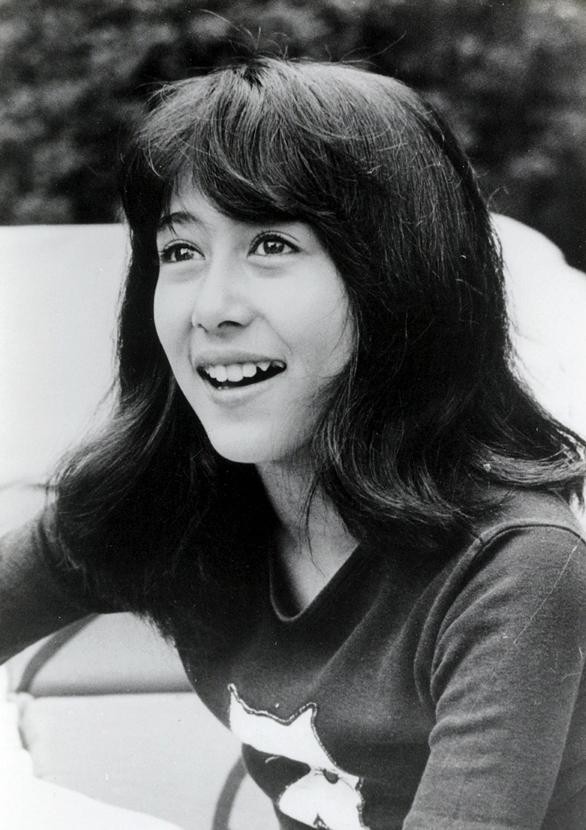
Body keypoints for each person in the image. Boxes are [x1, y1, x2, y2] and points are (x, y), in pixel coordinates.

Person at [1, 56, 586, 829]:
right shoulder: (169, 503)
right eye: (181, 252)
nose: (210, 307)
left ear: (395, 280)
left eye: (272, 245)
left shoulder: (515, 563)